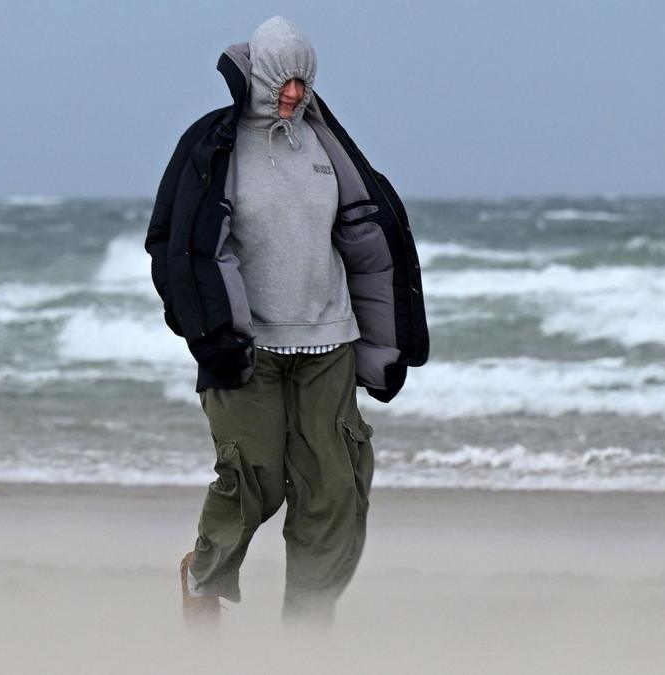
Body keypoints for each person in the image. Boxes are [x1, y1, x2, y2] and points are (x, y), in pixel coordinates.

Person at [145, 16, 429, 625]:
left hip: (330, 340)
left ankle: (308, 624)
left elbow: (368, 243)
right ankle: (202, 577)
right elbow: (170, 241)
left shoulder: (327, 145)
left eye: (304, 82)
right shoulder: (213, 144)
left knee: (334, 488)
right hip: (246, 347)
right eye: (283, 81)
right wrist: (202, 328)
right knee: (255, 480)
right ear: (259, 76)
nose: (294, 94)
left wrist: (389, 340)